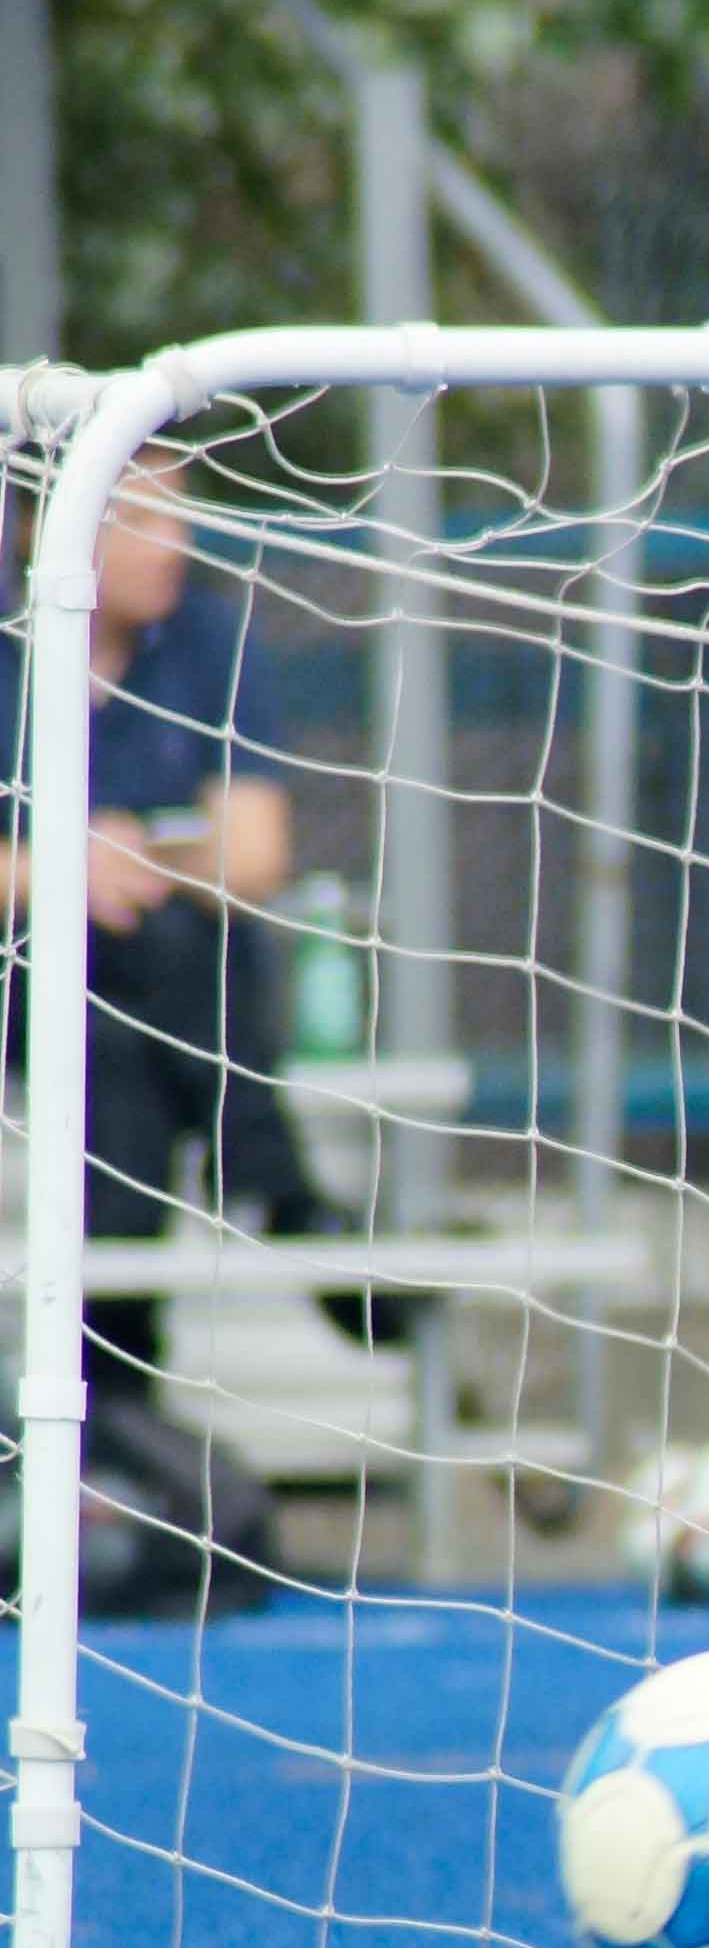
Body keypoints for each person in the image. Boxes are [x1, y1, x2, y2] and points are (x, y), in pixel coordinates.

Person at [0, 441, 316, 1385]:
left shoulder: (205, 640)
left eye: (180, 515)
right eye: (141, 519)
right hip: (20, 975)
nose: (171, 545)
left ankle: (115, 1391)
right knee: (136, 958)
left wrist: (133, 859)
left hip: (137, 999)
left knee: (125, 1042)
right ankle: (272, 1178)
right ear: (46, 533)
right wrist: (63, 866)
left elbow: (256, 853)